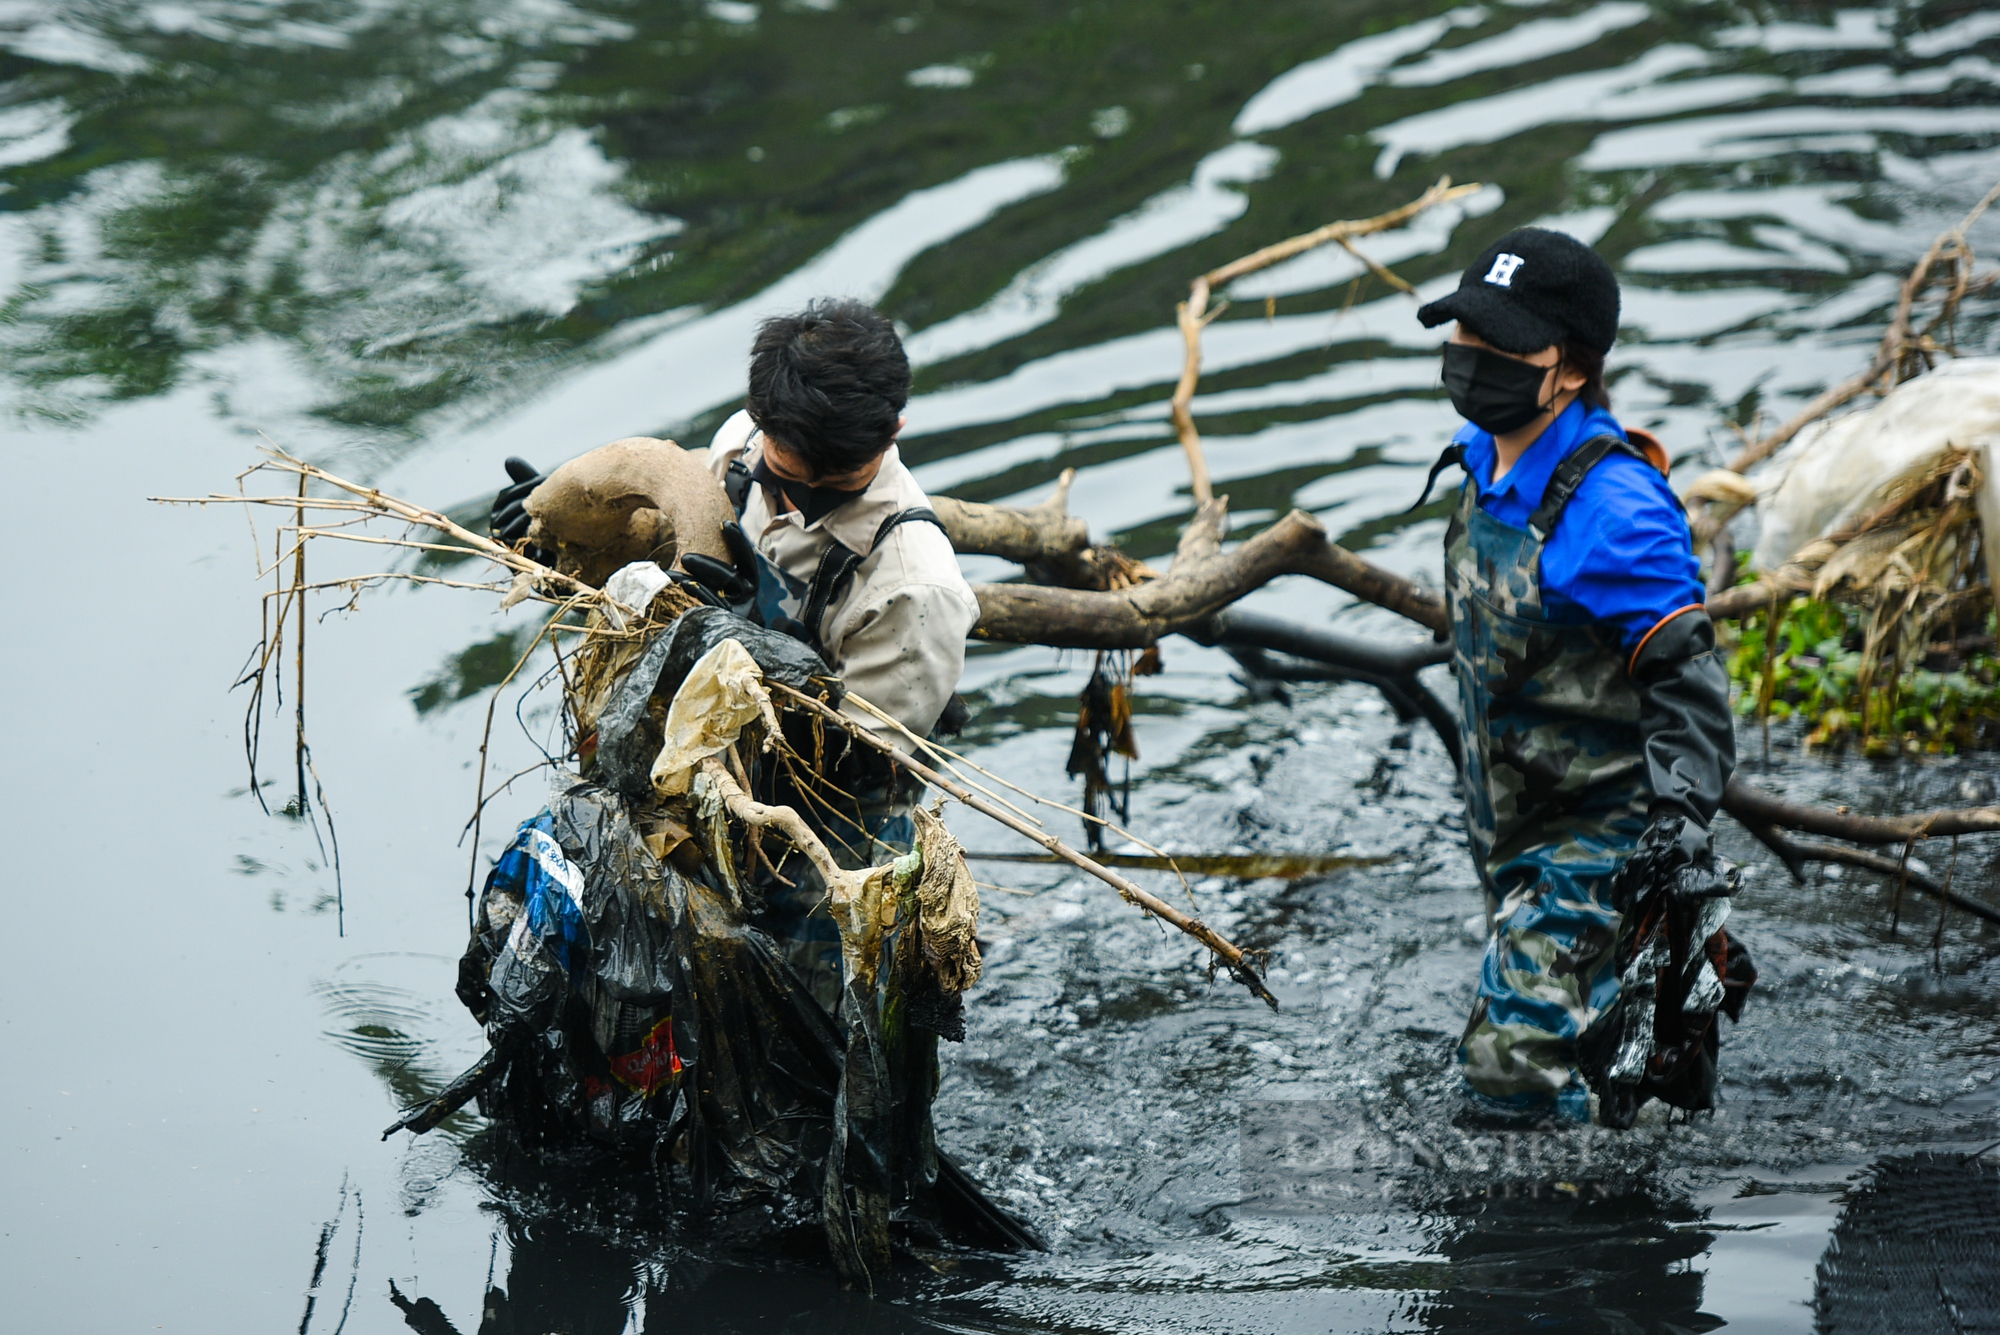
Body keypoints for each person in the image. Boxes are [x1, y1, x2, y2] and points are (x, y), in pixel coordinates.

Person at [493, 298, 978, 1011]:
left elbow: (851, 768)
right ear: (761, 421)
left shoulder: (914, 587)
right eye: (786, 475)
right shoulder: (741, 449)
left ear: (894, 431)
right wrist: (555, 536)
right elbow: (650, 554)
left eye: (831, 484)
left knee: (800, 1036)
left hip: (828, 849)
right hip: (702, 784)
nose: (799, 500)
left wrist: (737, 639)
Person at [1411, 227, 1745, 1127]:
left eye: (1497, 347)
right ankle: (1603, 1186)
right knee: (1591, 1061)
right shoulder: (1485, 451)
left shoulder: (1618, 509)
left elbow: (1694, 695)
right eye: (1463, 338)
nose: (1469, 360)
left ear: (1568, 367)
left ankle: (1546, 1253)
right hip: (1512, 824)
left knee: (1508, 1072)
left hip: (1597, 843)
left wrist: (1674, 840)